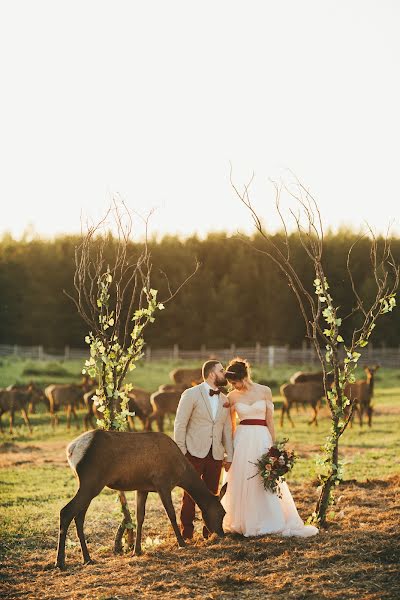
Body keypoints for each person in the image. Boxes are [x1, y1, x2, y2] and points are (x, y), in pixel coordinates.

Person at [221, 358, 318, 538]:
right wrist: (231, 449)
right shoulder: (232, 396)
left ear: (244, 377)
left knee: (263, 477)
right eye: (230, 383)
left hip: (261, 437)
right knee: (243, 478)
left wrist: (273, 447)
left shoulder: (264, 391)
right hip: (242, 440)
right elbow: (231, 426)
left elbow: (270, 420)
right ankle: (243, 520)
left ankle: (270, 519)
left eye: (235, 382)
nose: (233, 386)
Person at [174, 360, 234, 540]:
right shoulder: (191, 394)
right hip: (192, 452)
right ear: (211, 374)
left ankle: (210, 533)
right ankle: (187, 533)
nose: (225, 374)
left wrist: (229, 455)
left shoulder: (224, 399)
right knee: (189, 495)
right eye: (221, 370)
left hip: (215, 454)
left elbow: (227, 430)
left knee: (212, 495)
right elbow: (180, 423)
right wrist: (181, 452)